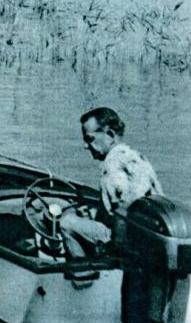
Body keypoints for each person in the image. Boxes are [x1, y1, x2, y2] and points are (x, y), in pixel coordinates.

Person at [58, 107, 162, 262]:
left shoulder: (112, 164)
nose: (86, 146)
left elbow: (122, 210)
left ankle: (82, 275)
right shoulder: (135, 157)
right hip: (151, 235)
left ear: (110, 135)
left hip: (131, 243)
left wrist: (113, 252)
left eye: (90, 139)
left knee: (66, 222)